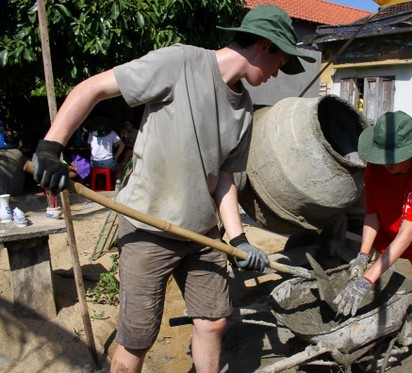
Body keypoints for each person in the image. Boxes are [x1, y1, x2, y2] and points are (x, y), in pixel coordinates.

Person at [31, 4, 315, 373]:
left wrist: (239, 238)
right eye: (280, 62)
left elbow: (224, 179)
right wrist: (51, 147)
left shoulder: (244, 108)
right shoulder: (180, 62)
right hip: (148, 226)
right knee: (137, 338)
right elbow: (94, 87)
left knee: (213, 320)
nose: (278, 73)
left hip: (201, 234)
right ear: (264, 45)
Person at [333, 111, 412, 373]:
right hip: (387, 227)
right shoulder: (374, 170)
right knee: (366, 279)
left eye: (394, 158)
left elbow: (407, 236)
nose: (387, 163)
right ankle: (377, 331)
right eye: (382, 156)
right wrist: (363, 256)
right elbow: (371, 215)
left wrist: (367, 278)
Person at [87, 117, 125, 184]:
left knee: (99, 172)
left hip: (94, 163)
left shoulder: (91, 133)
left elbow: (90, 147)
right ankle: (117, 182)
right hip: (108, 162)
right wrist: (116, 156)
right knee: (119, 168)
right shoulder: (112, 133)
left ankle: (99, 182)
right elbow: (122, 145)